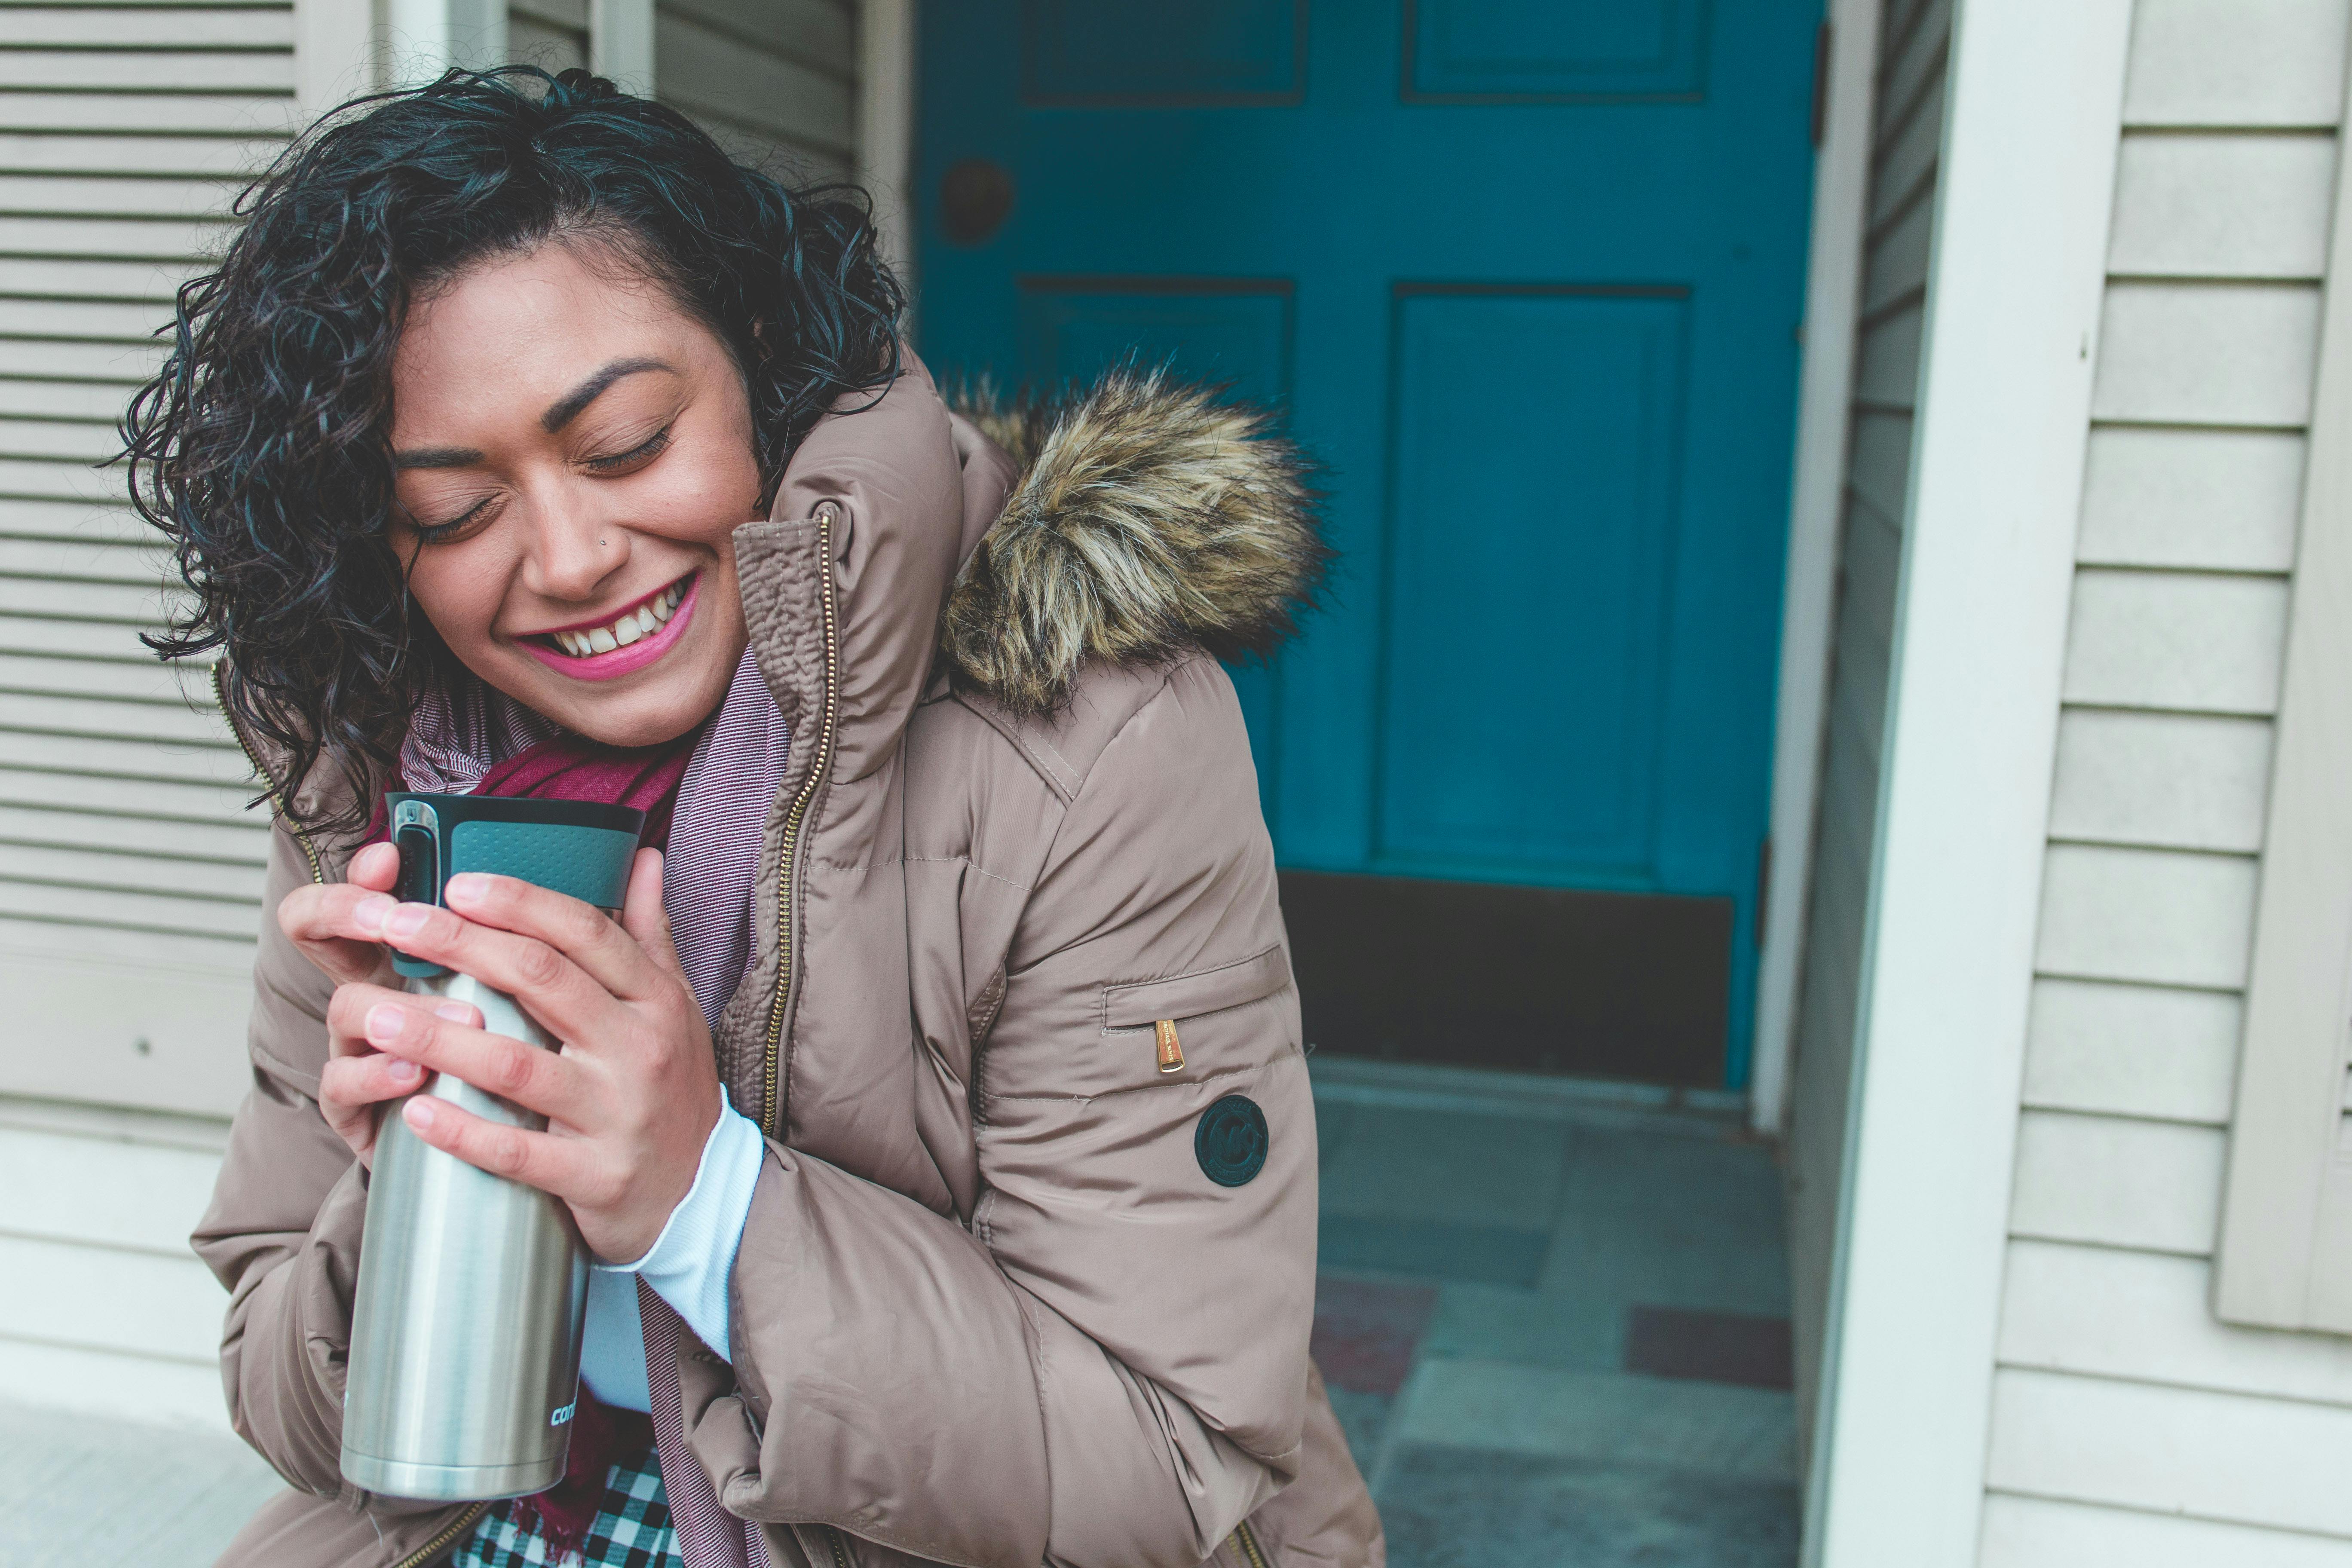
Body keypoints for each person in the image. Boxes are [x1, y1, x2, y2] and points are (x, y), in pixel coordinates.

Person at [126, 67, 1378, 1568]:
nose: (573, 557)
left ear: (768, 368)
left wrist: (695, 1194)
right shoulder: (378, 768)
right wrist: (408, 1188)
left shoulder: (1089, 746)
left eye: (628, 444)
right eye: (456, 514)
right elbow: (289, 1396)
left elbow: (1167, 1466)